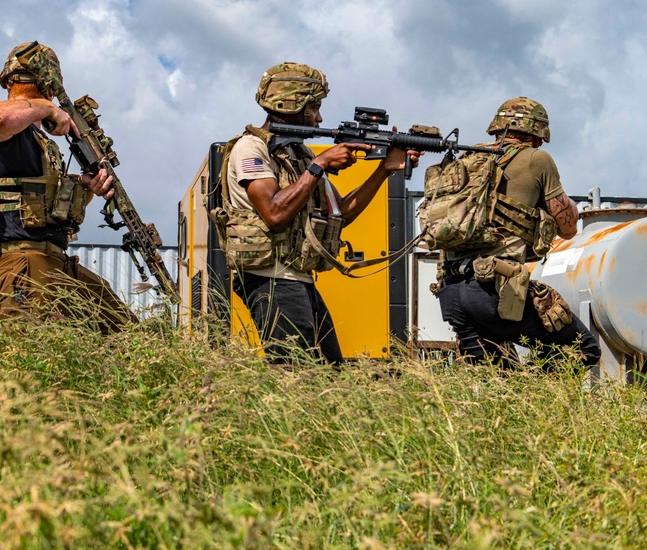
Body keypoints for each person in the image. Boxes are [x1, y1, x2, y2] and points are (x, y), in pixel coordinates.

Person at [212, 62, 419, 364]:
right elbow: (274, 213)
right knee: (294, 374)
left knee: (329, 374)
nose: (320, 117)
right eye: (314, 107)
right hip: (271, 280)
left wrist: (384, 170)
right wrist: (319, 165)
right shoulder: (251, 148)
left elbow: (342, 214)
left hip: (298, 281)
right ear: (291, 102)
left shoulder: (300, 154)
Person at [0, 42, 137, 333]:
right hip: (22, 264)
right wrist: (47, 108)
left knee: (127, 335)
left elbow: (46, 207)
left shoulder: (39, 143)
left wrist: (86, 187)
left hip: (54, 262)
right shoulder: (7, 132)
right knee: (34, 362)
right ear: (50, 87)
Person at [431, 97, 600, 368]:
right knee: (583, 349)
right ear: (536, 134)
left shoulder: (469, 159)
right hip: (493, 291)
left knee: (499, 377)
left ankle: (515, 400)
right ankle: (539, 398)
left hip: (451, 293)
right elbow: (568, 229)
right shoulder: (538, 159)